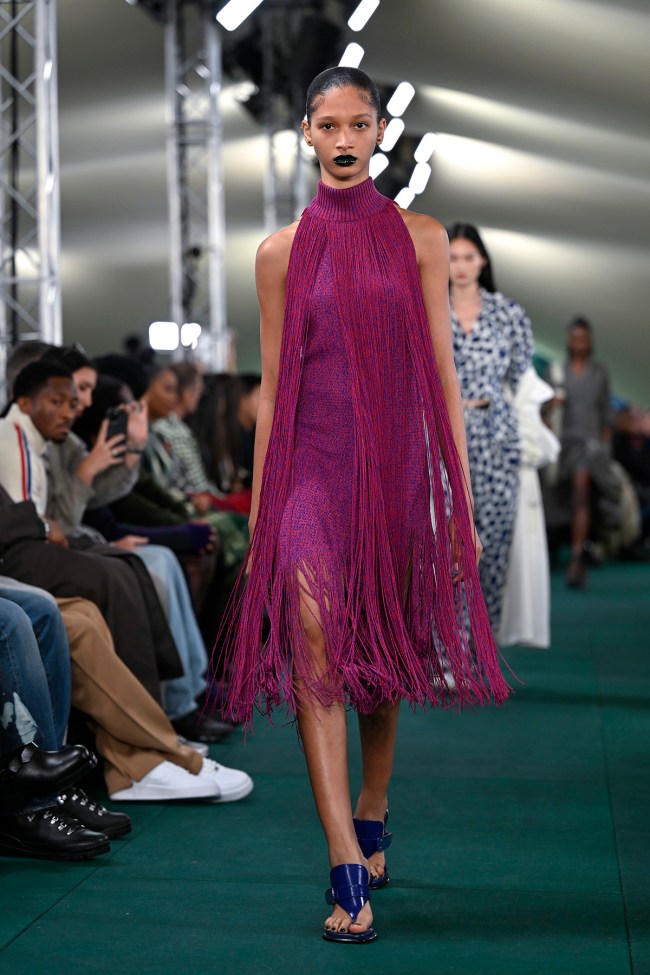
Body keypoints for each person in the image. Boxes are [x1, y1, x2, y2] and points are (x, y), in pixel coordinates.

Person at [216, 67, 508, 943]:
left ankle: (374, 802)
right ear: (305, 134)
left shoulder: (421, 239)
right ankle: (345, 859)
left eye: (358, 124)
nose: (343, 140)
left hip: (390, 477)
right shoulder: (276, 253)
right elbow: (272, 391)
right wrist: (265, 519)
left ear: (379, 132)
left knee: (382, 657)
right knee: (316, 643)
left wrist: (457, 505)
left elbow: (442, 377)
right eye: (327, 125)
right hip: (309, 470)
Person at [447, 222, 534, 631]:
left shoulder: (508, 314)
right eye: (453, 257)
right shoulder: (428, 308)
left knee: (495, 546)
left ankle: (480, 645)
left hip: (496, 437)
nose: (461, 266)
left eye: (468, 256)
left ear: (483, 260)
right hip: (443, 440)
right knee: (445, 542)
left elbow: (523, 377)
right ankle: (447, 650)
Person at [545, 317, 614, 588]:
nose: (579, 342)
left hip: (592, 447)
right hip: (563, 446)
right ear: (568, 340)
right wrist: (552, 404)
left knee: (582, 485)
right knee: (572, 491)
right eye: (575, 337)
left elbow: (607, 415)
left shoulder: (600, 372)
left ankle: (575, 559)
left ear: (590, 340)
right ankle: (575, 549)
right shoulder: (557, 371)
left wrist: (607, 450)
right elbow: (545, 412)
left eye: (584, 338)